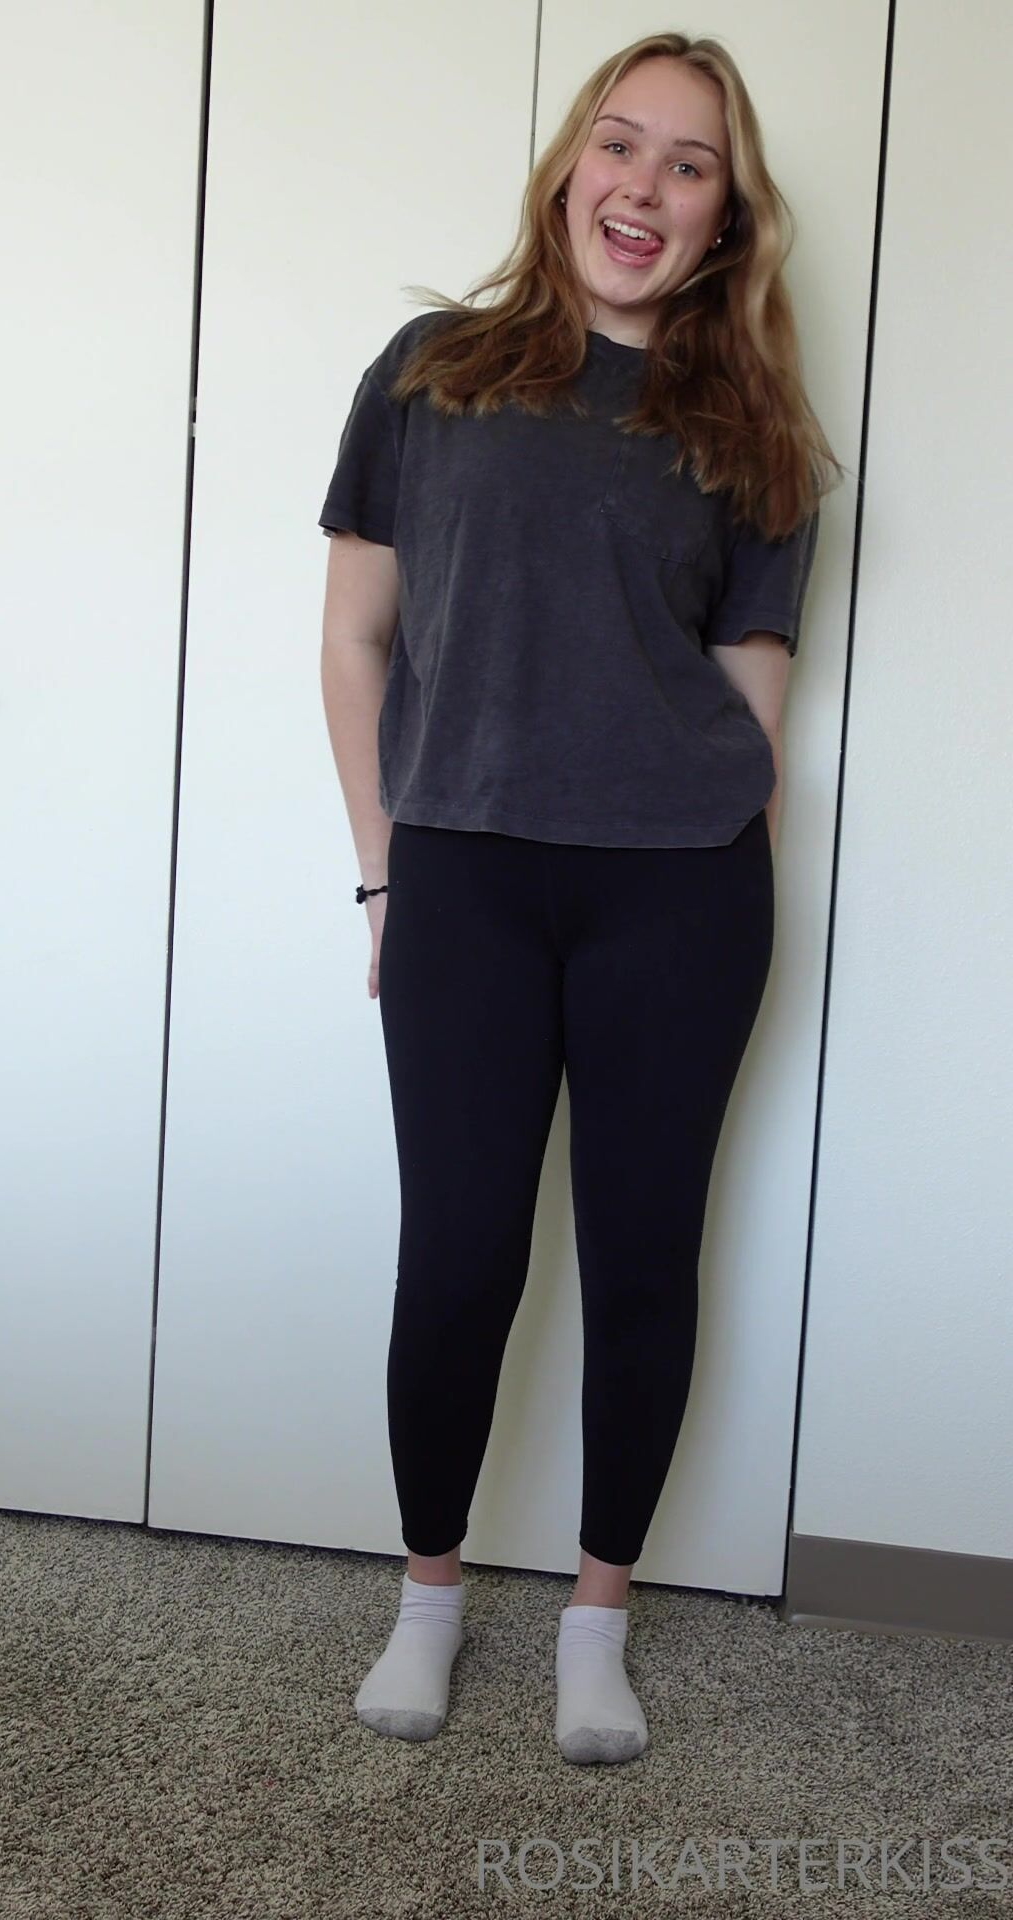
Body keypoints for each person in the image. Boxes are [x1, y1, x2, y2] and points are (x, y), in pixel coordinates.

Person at [318, 31, 842, 1766]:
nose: (645, 186)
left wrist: (740, 890)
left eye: (691, 165)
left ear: (724, 220)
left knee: (640, 1258)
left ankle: (596, 1623)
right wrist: (384, 873)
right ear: (567, 170)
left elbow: (754, 700)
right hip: (465, 876)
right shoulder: (433, 373)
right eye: (622, 144)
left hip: (678, 895)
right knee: (459, 1252)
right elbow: (356, 641)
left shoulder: (752, 430)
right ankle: (430, 1600)